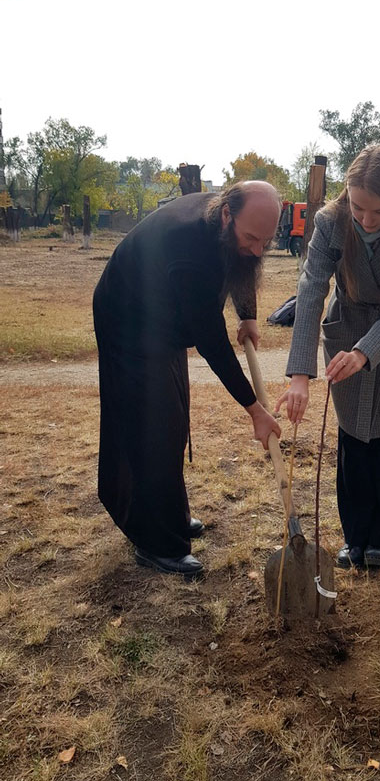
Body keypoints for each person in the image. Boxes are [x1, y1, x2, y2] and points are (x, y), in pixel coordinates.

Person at [93, 181, 282, 578]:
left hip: (162, 314)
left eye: (267, 241)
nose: (257, 249)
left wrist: (247, 314)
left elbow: (243, 264)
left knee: (172, 419)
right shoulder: (190, 251)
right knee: (154, 426)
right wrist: (255, 409)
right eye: (251, 238)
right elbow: (211, 341)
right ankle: (155, 542)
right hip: (127, 318)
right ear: (228, 214)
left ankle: (169, 516)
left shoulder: (227, 223)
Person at [276, 145, 380, 569]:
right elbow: (312, 288)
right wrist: (299, 375)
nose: (365, 220)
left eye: (379, 212)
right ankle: (354, 538)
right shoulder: (331, 221)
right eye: (357, 207)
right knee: (352, 437)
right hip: (345, 329)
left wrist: (366, 352)